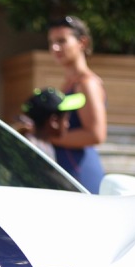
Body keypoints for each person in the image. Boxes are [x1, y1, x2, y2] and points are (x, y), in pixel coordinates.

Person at [44, 15, 107, 193]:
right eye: (51, 42)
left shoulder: (87, 83)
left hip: (81, 173)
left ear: (82, 43)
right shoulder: (68, 84)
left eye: (62, 41)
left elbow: (96, 135)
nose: (55, 47)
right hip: (66, 170)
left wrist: (48, 137)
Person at [18, 87, 86, 159]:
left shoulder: (45, 145)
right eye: (66, 119)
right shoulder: (34, 150)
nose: (68, 124)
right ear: (54, 121)